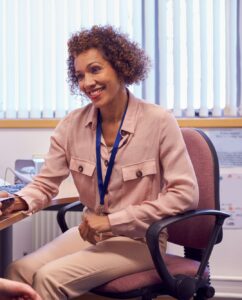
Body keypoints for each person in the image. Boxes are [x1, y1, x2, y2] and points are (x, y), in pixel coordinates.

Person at [0, 25, 199, 299]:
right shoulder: (72, 125)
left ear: (120, 66)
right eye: (80, 75)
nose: (87, 83)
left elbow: (185, 194)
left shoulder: (159, 121)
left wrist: (111, 222)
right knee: (17, 271)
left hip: (141, 240)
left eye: (95, 70)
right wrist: (16, 202)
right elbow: (45, 184)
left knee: (49, 278)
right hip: (92, 236)